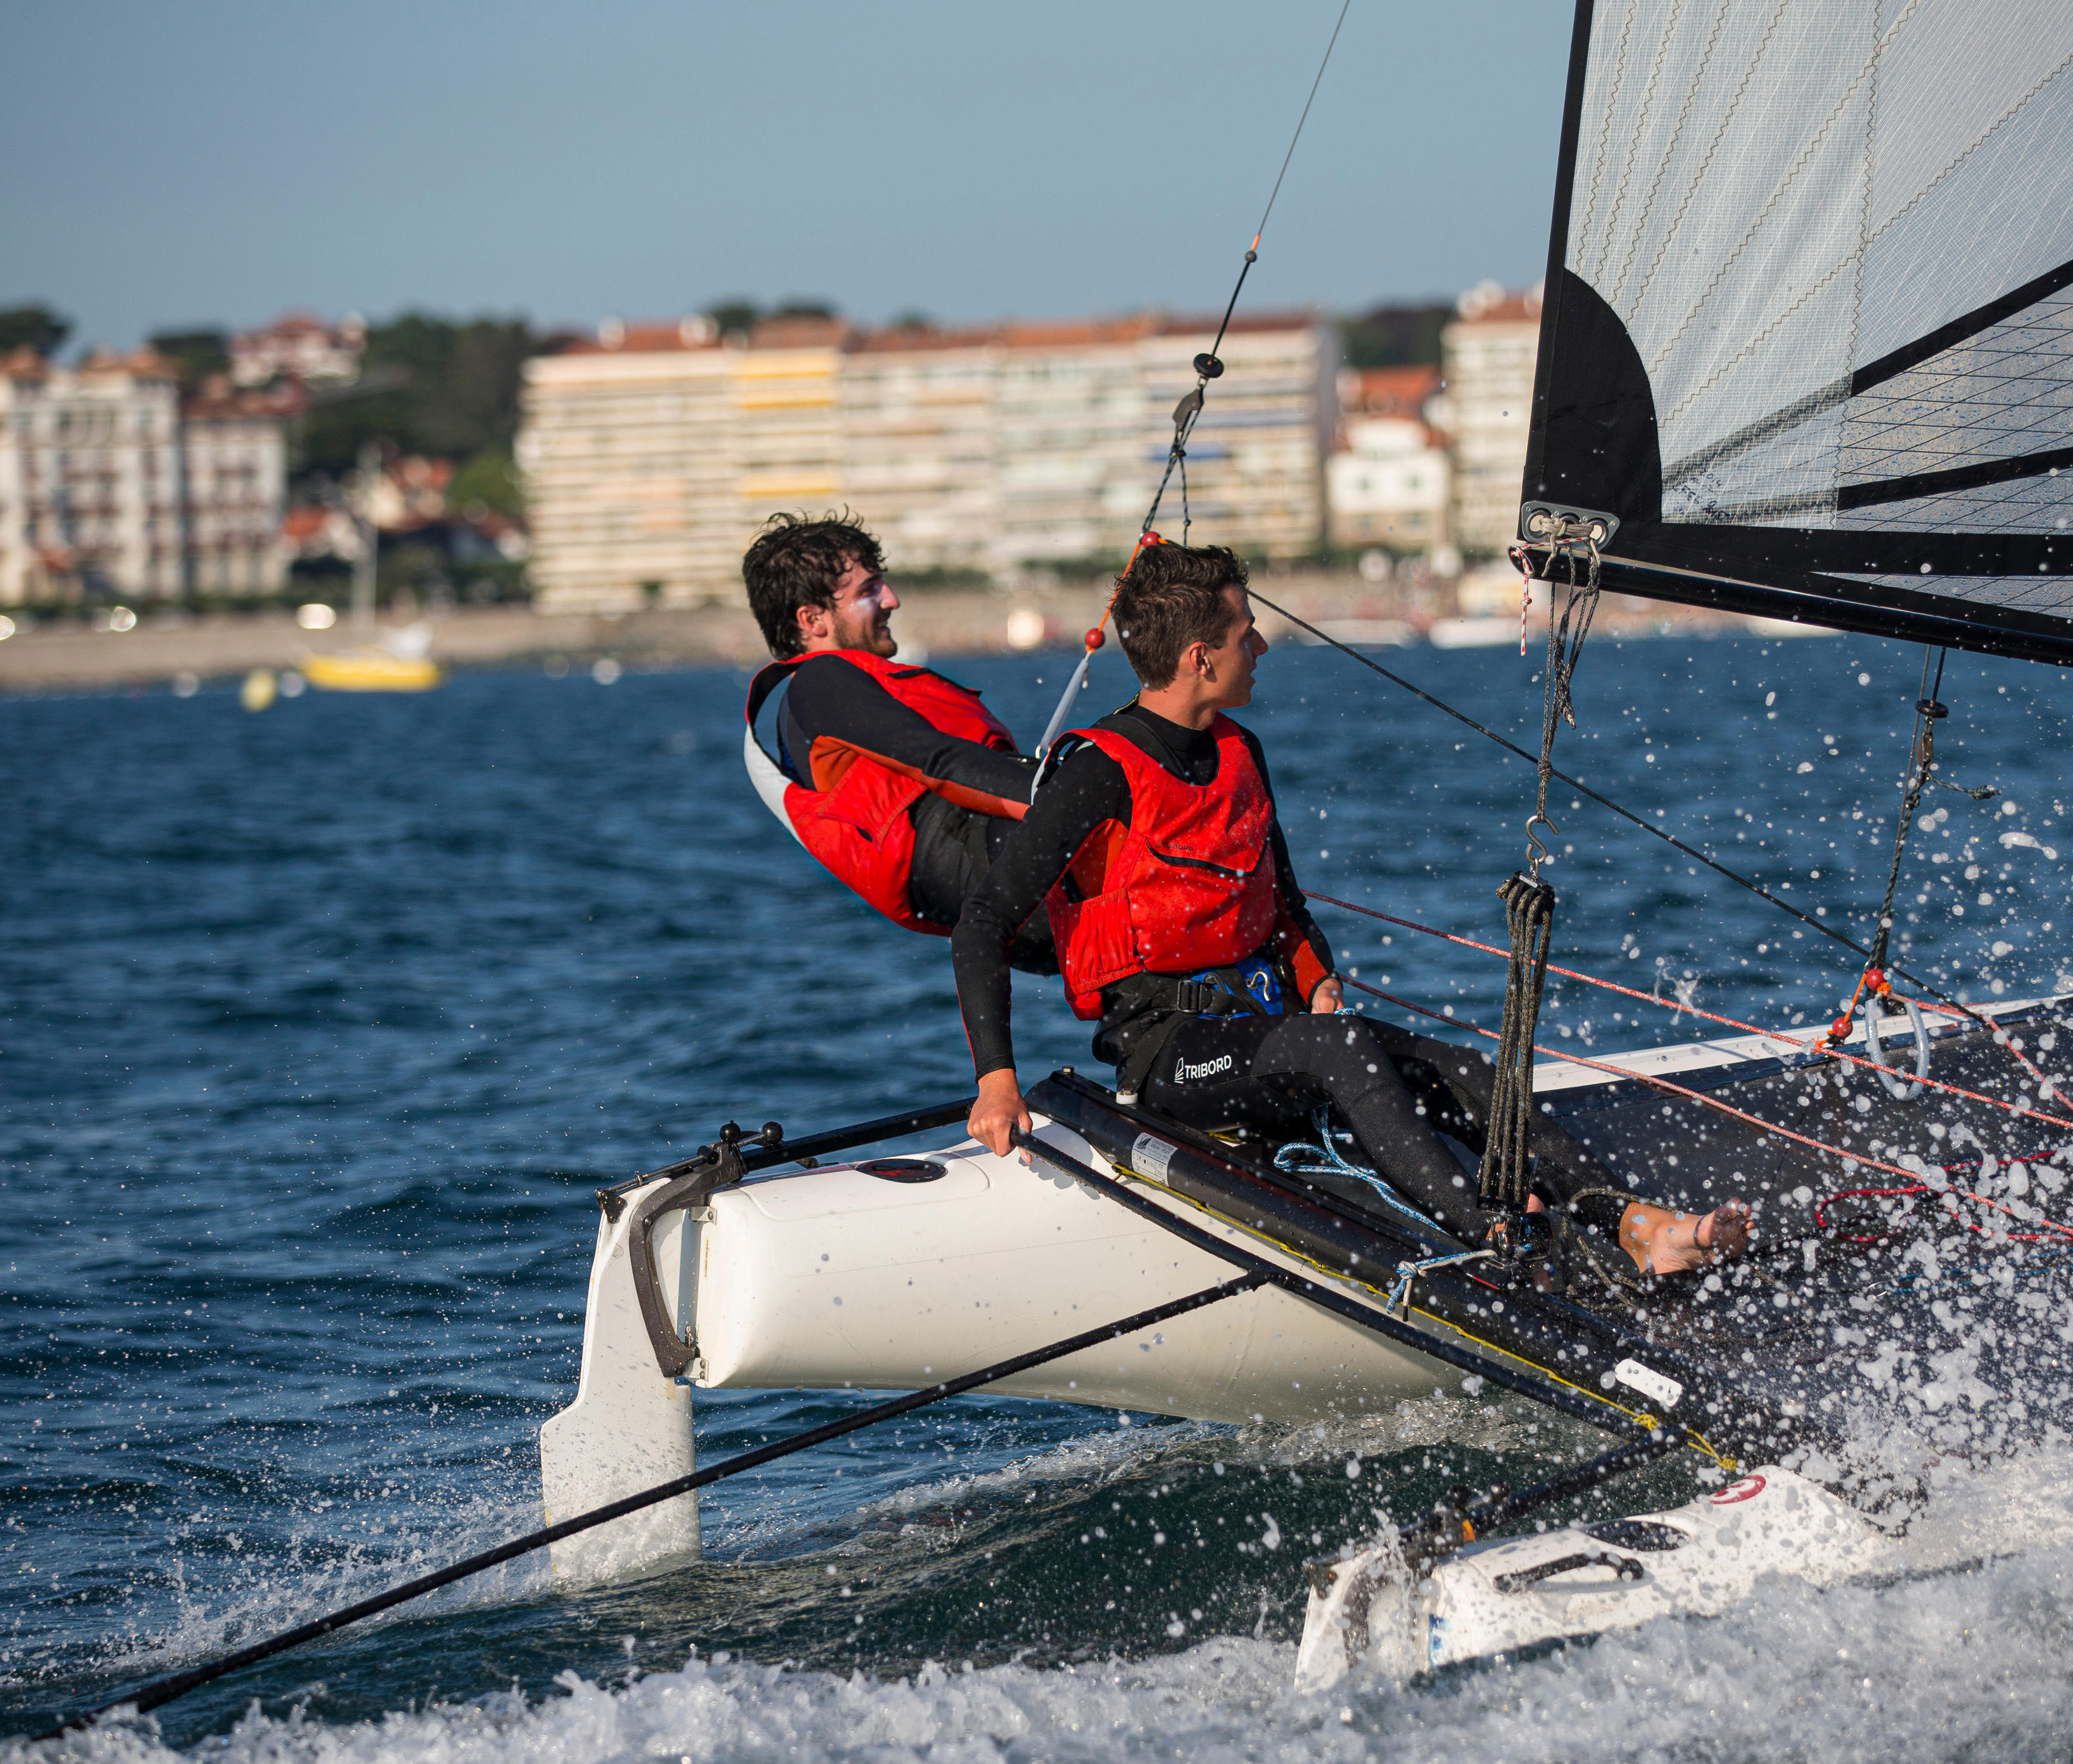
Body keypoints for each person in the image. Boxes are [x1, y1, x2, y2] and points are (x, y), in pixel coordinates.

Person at [952, 538, 1749, 1279]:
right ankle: (1493, 1238)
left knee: (1463, 1072)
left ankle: (1636, 1225)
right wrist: (997, 1081)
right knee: (1341, 1053)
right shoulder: (1099, 770)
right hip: (1169, 1055)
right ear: (1200, 658)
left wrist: (1318, 977)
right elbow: (983, 923)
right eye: (1245, 635)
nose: (1260, 648)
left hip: (1271, 1029)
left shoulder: (1240, 751)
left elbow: (1285, 903)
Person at [740, 512, 1054, 966]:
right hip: (1008, 877)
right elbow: (938, 762)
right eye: (869, 590)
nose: (892, 600)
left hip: (1008, 898)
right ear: (812, 620)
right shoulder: (820, 681)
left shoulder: (833, 691)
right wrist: (1071, 800)